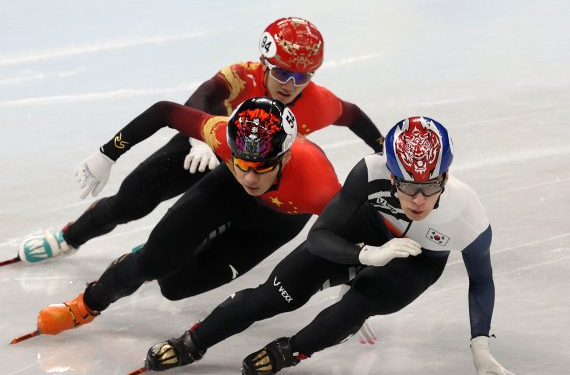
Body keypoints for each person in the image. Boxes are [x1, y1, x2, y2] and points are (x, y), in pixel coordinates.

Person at [142, 116, 528, 375]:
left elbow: (482, 281)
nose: (418, 200)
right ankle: (192, 343)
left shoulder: (468, 215)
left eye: (429, 187)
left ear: (445, 177)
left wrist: (480, 342)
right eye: (407, 187)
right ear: (390, 175)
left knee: (357, 304)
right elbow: (320, 236)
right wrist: (363, 256)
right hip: (363, 231)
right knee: (274, 295)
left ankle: (289, 351)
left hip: (419, 258)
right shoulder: (370, 171)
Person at [17, 16, 384, 264]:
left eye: (301, 77)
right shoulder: (241, 75)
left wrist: (381, 146)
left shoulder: (318, 102)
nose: (290, 85)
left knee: (210, 225)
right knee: (131, 202)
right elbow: (201, 99)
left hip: (258, 173)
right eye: (282, 72)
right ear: (263, 61)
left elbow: (351, 115)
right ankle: (70, 237)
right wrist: (198, 141)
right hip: (206, 148)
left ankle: (168, 248)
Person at [25, 96, 343, 340]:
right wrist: (108, 152)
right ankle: (86, 305)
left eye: (260, 167)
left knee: (175, 287)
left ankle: (174, 249)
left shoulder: (318, 186)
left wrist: (350, 282)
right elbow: (164, 111)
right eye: (241, 162)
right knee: (152, 262)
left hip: (277, 222)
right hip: (224, 192)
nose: (249, 176)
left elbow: (352, 227)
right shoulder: (220, 134)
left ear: (285, 156)